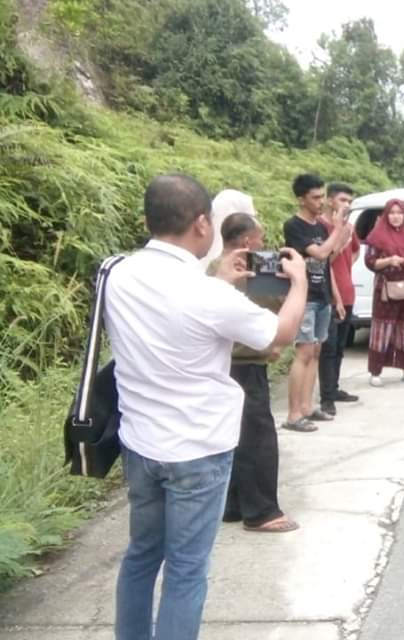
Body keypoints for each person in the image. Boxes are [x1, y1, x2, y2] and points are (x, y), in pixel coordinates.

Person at [106, 174, 307, 639]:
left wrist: (216, 277)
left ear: (147, 220)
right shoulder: (209, 295)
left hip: (140, 444)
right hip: (198, 449)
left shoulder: (116, 272)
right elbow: (279, 335)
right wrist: (298, 283)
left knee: (140, 556)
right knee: (185, 571)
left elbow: (170, 309)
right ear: (202, 224)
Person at [208, 211, 298, 534]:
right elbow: (270, 313)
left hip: (218, 364)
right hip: (246, 364)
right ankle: (261, 511)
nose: (263, 244)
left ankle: (232, 504)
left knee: (231, 436)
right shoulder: (251, 270)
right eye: (259, 238)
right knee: (257, 436)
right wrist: (295, 282)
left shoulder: (213, 270)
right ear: (246, 240)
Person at [282, 173, 351, 432]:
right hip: (305, 297)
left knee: (316, 352)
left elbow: (328, 260)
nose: (321, 201)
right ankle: (292, 414)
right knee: (303, 352)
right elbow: (320, 252)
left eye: (323, 196)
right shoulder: (294, 226)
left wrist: (336, 296)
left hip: (322, 295)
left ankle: (308, 406)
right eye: (315, 197)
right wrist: (337, 227)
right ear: (301, 199)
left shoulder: (321, 227)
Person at [357, 199, 404, 386]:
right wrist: (389, 261)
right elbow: (370, 262)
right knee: (383, 328)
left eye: (400, 213)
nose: (396, 216)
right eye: (392, 213)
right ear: (386, 215)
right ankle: (375, 372)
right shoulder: (376, 235)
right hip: (386, 289)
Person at [318, 182, 361, 416]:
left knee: (341, 347)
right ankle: (326, 397)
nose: (347, 205)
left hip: (348, 292)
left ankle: (334, 388)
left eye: (349, 202)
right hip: (330, 295)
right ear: (329, 201)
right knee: (329, 347)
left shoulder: (348, 227)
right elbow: (324, 260)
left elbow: (356, 250)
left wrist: (348, 262)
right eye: (343, 200)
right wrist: (339, 240)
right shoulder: (323, 228)